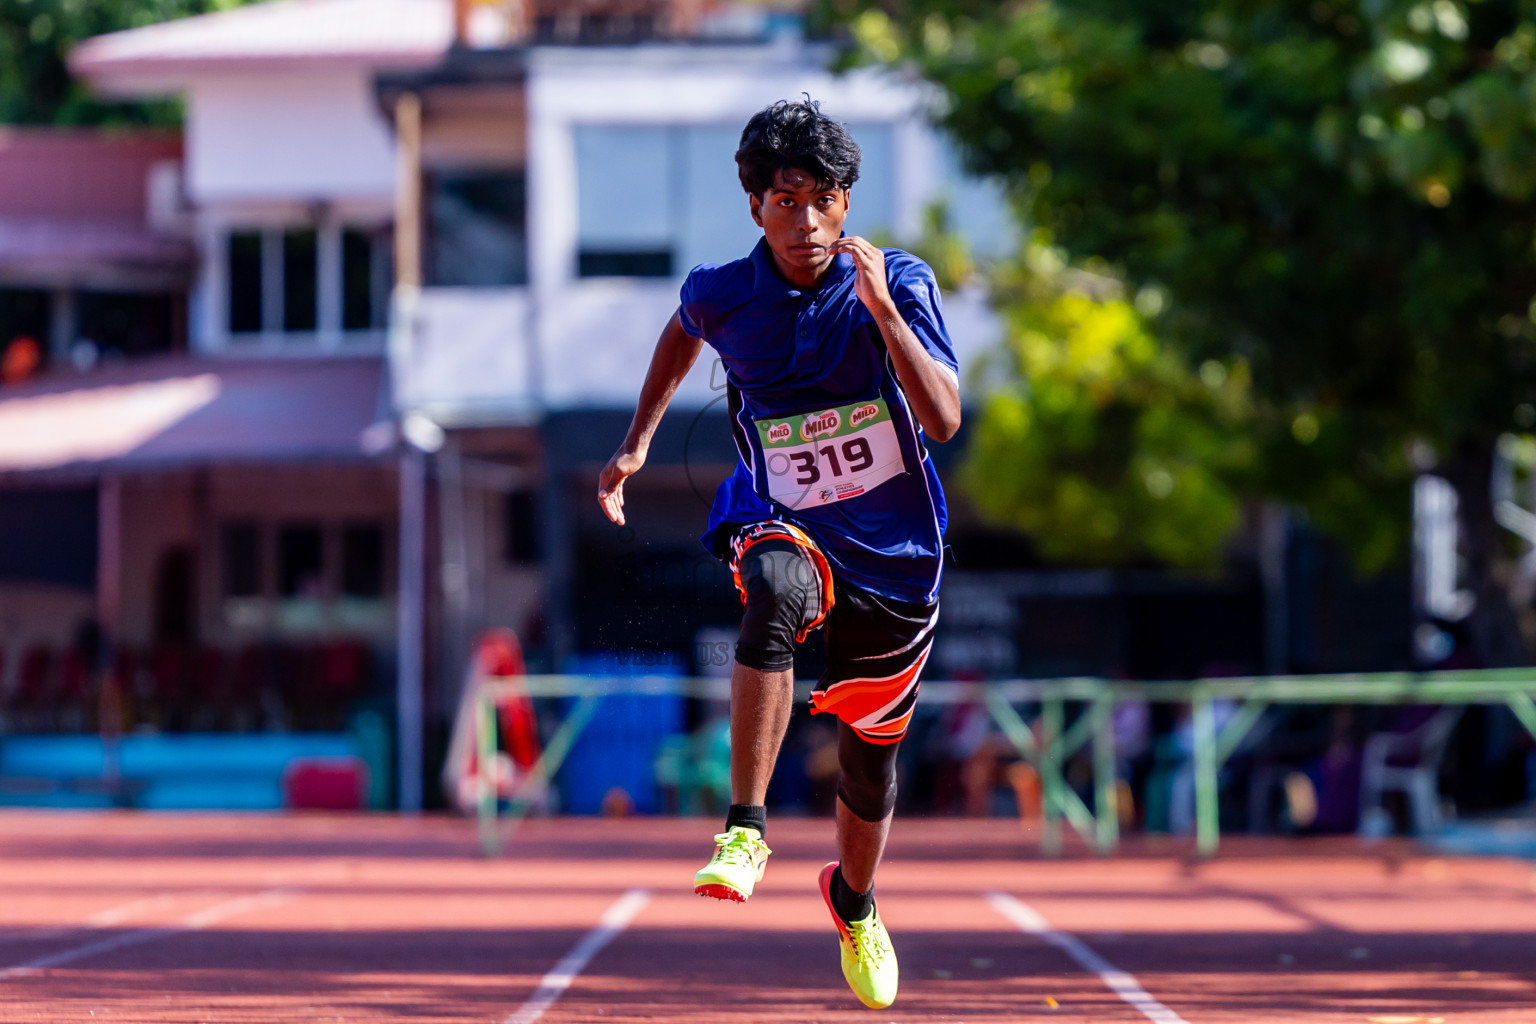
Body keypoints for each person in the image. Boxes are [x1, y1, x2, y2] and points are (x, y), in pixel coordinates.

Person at [597, 98, 960, 1010]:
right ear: (757, 204)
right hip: (783, 513)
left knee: (869, 761)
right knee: (771, 584)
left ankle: (856, 899)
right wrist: (638, 441)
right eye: (783, 200)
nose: (803, 221)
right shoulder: (725, 290)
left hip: (896, 551)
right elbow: (683, 330)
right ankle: (746, 828)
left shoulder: (900, 280)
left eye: (820, 199)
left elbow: (945, 419)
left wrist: (881, 312)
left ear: (846, 203)